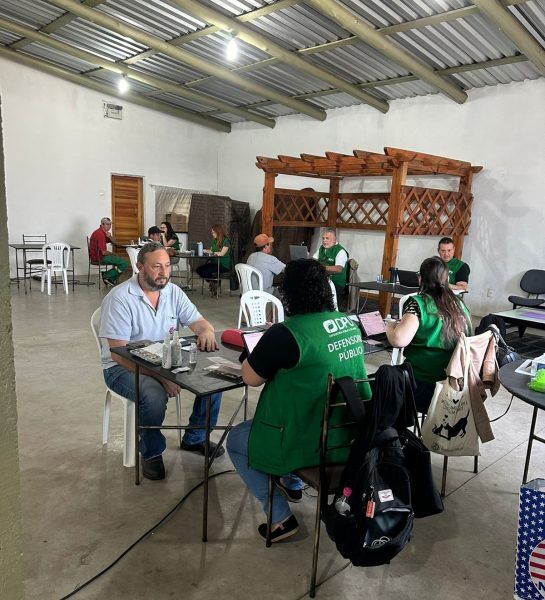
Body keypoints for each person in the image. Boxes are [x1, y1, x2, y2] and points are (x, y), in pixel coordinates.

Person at [227, 259, 372, 543]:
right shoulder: (349, 324)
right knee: (303, 402)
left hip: (307, 439)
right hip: (349, 434)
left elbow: (250, 378)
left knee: (236, 440)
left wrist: (268, 339)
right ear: (325, 290)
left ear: (288, 294)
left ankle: (280, 518)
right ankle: (292, 483)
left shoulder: (285, 334)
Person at [99, 242, 224, 481]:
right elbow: (118, 354)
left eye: (167, 265)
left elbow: (199, 322)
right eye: (156, 266)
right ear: (140, 267)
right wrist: (162, 378)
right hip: (122, 366)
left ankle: (195, 437)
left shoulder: (173, 292)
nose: (164, 272)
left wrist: (206, 331)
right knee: (154, 395)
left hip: (164, 358)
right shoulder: (120, 299)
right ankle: (151, 451)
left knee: (214, 376)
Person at [385, 256, 472, 413]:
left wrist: (390, 326)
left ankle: (394, 433)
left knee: (385, 380)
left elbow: (398, 340)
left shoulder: (419, 303)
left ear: (421, 278)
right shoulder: (460, 304)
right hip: (455, 384)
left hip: (424, 383)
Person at [313, 228, 349, 309]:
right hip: (322, 281)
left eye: (327, 238)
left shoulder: (340, 251)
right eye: (323, 238)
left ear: (334, 240)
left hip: (336, 283)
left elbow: (338, 269)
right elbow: (314, 260)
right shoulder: (321, 248)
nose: (324, 241)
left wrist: (321, 267)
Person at [89, 217, 129, 286]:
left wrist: (110, 236)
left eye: (110, 224)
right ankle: (107, 276)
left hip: (99, 256)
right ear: (102, 224)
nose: (109, 226)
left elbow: (115, 243)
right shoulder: (100, 234)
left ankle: (108, 278)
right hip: (99, 257)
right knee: (124, 263)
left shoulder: (102, 232)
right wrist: (114, 254)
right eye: (107, 224)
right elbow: (103, 252)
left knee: (120, 260)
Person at [196, 224, 232, 295]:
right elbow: (212, 250)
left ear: (218, 232)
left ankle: (214, 283)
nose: (212, 234)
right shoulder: (215, 241)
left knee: (206, 271)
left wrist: (212, 252)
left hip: (223, 264)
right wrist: (206, 251)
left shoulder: (226, 241)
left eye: (213, 232)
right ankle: (214, 282)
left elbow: (222, 253)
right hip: (214, 262)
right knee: (199, 270)